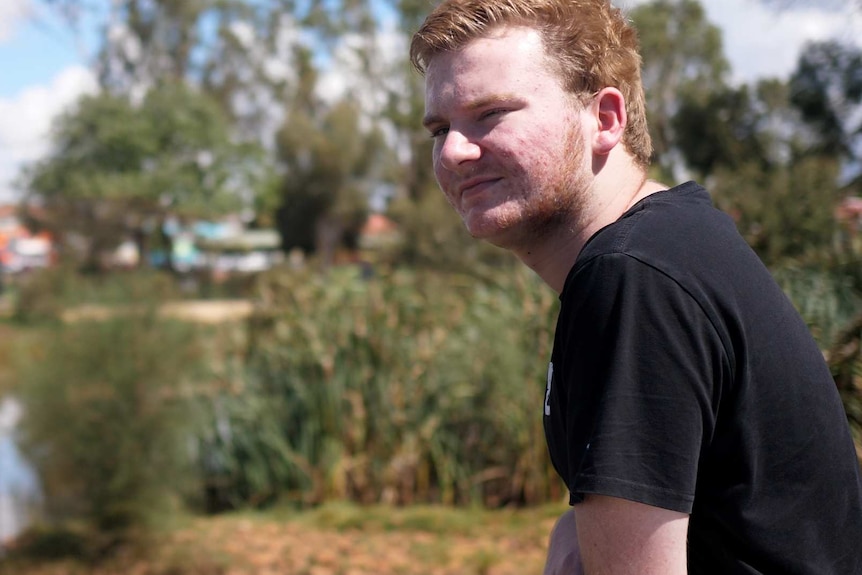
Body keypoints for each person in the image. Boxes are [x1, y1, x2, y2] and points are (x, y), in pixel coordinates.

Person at [409, 1, 862, 573]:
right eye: (439, 128)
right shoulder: (673, 242)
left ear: (604, 119)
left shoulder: (633, 278)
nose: (453, 151)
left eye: (492, 113)